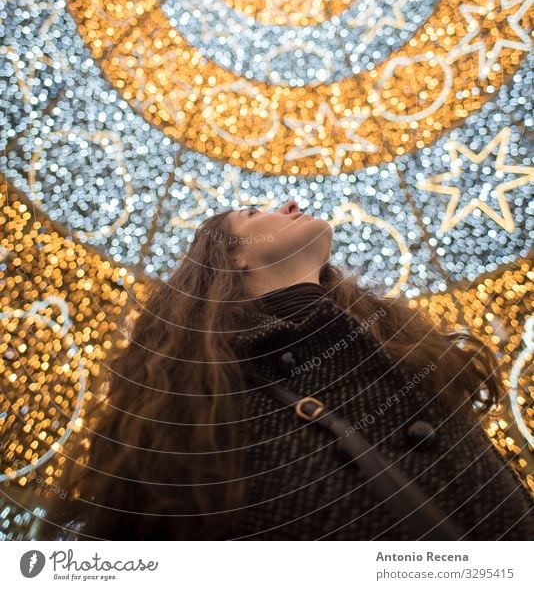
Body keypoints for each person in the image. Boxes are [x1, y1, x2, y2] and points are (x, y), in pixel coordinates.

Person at [40, 200, 534, 540]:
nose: (292, 205)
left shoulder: (411, 351)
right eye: (256, 213)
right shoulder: (205, 427)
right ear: (229, 260)